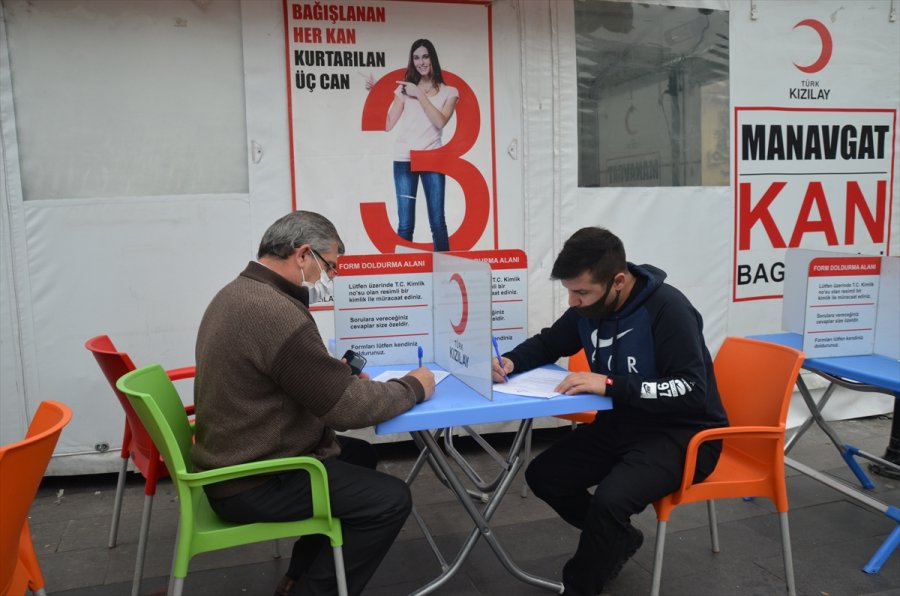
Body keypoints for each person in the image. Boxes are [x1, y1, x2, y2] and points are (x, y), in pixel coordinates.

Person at [192, 210, 436, 596]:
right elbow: (346, 408)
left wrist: (326, 374)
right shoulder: (273, 311)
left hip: (237, 459)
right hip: (255, 479)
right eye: (330, 267)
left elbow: (284, 375)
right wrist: (414, 387)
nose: (331, 279)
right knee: (390, 500)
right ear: (303, 254)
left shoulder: (239, 292)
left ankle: (298, 577)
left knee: (356, 456)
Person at [491, 227, 728, 595]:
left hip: (684, 434)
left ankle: (580, 585)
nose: (573, 301)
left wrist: (611, 384)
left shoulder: (669, 309)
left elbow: (692, 390)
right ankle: (617, 539)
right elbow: (550, 342)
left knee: (610, 501)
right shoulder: (590, 307)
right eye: (569, 290)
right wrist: (509, 361)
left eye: (581, 291)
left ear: (618, 280)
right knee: (544, 476)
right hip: (622, 422)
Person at [366, 39, 459, 251]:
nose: (421, 62)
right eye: (416, 57)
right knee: (406, 224)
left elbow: (440, 121)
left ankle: (445, 277)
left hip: (432, 159)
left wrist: (419, 94)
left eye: (425, 56)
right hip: (404, 160)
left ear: (432, 58)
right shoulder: (404, 90)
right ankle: (404, 277)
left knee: (438, 222)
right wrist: (377, 95)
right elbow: (388, 124)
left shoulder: (449, 92)